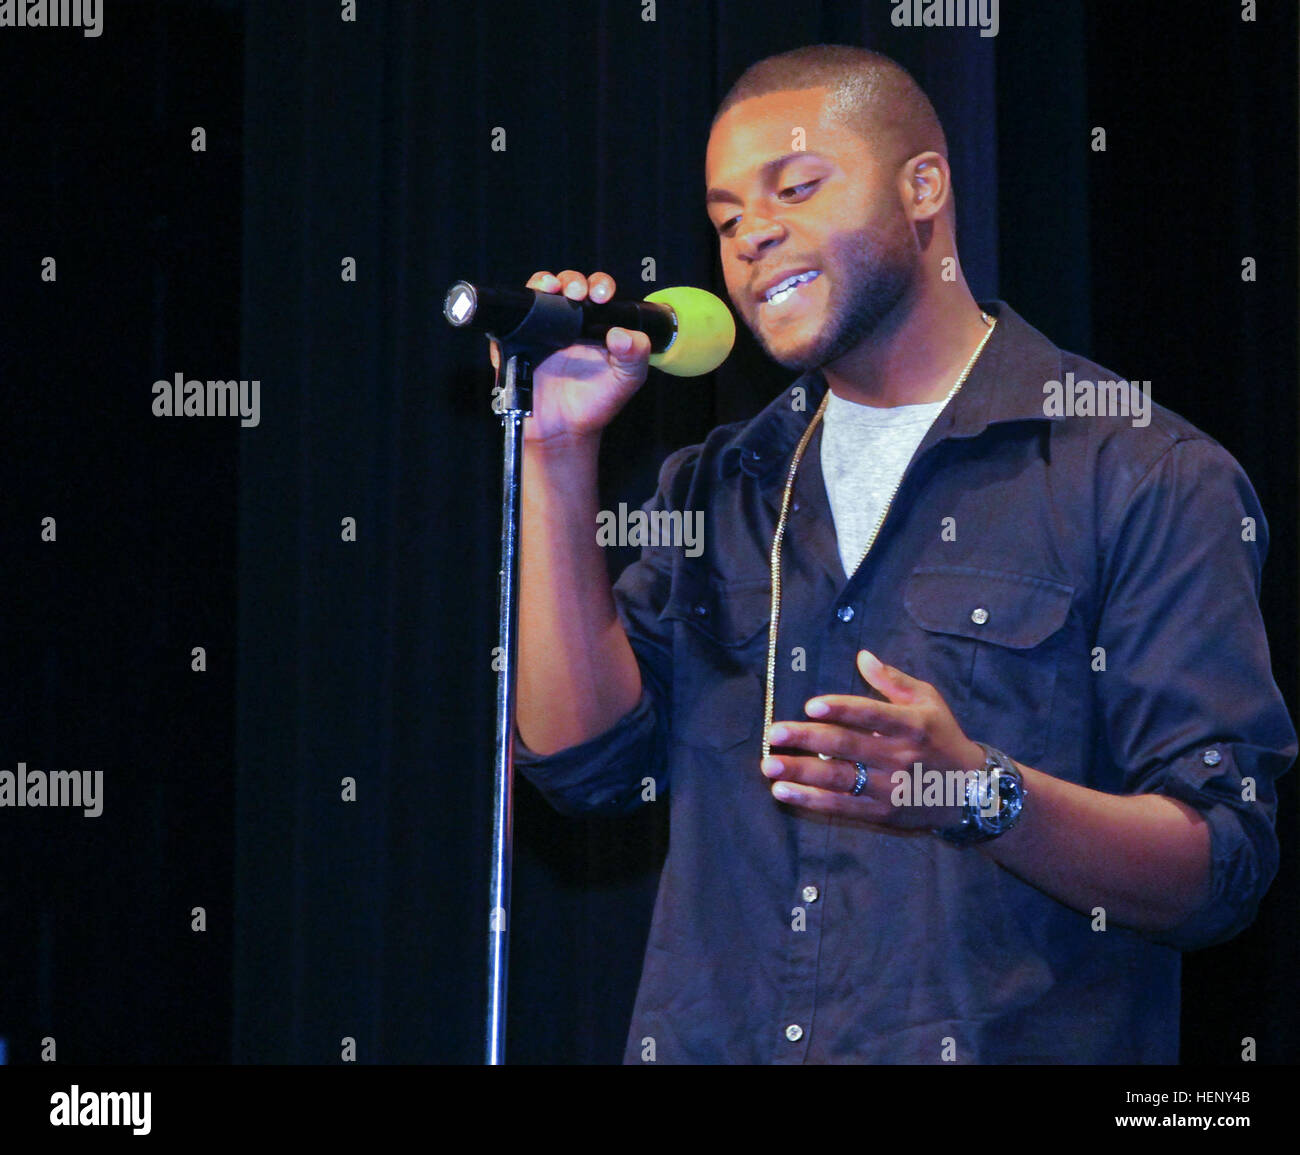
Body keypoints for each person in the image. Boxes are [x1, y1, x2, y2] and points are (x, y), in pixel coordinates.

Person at [508, 44, 1296, 1063]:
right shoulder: (720, 487)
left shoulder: (1139, 473)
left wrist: (979, 792)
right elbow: (584, 764)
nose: (753, 237)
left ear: (922, 188)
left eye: (795, 187)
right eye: (726, 220)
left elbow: (1218, 867)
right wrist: (559, 455)